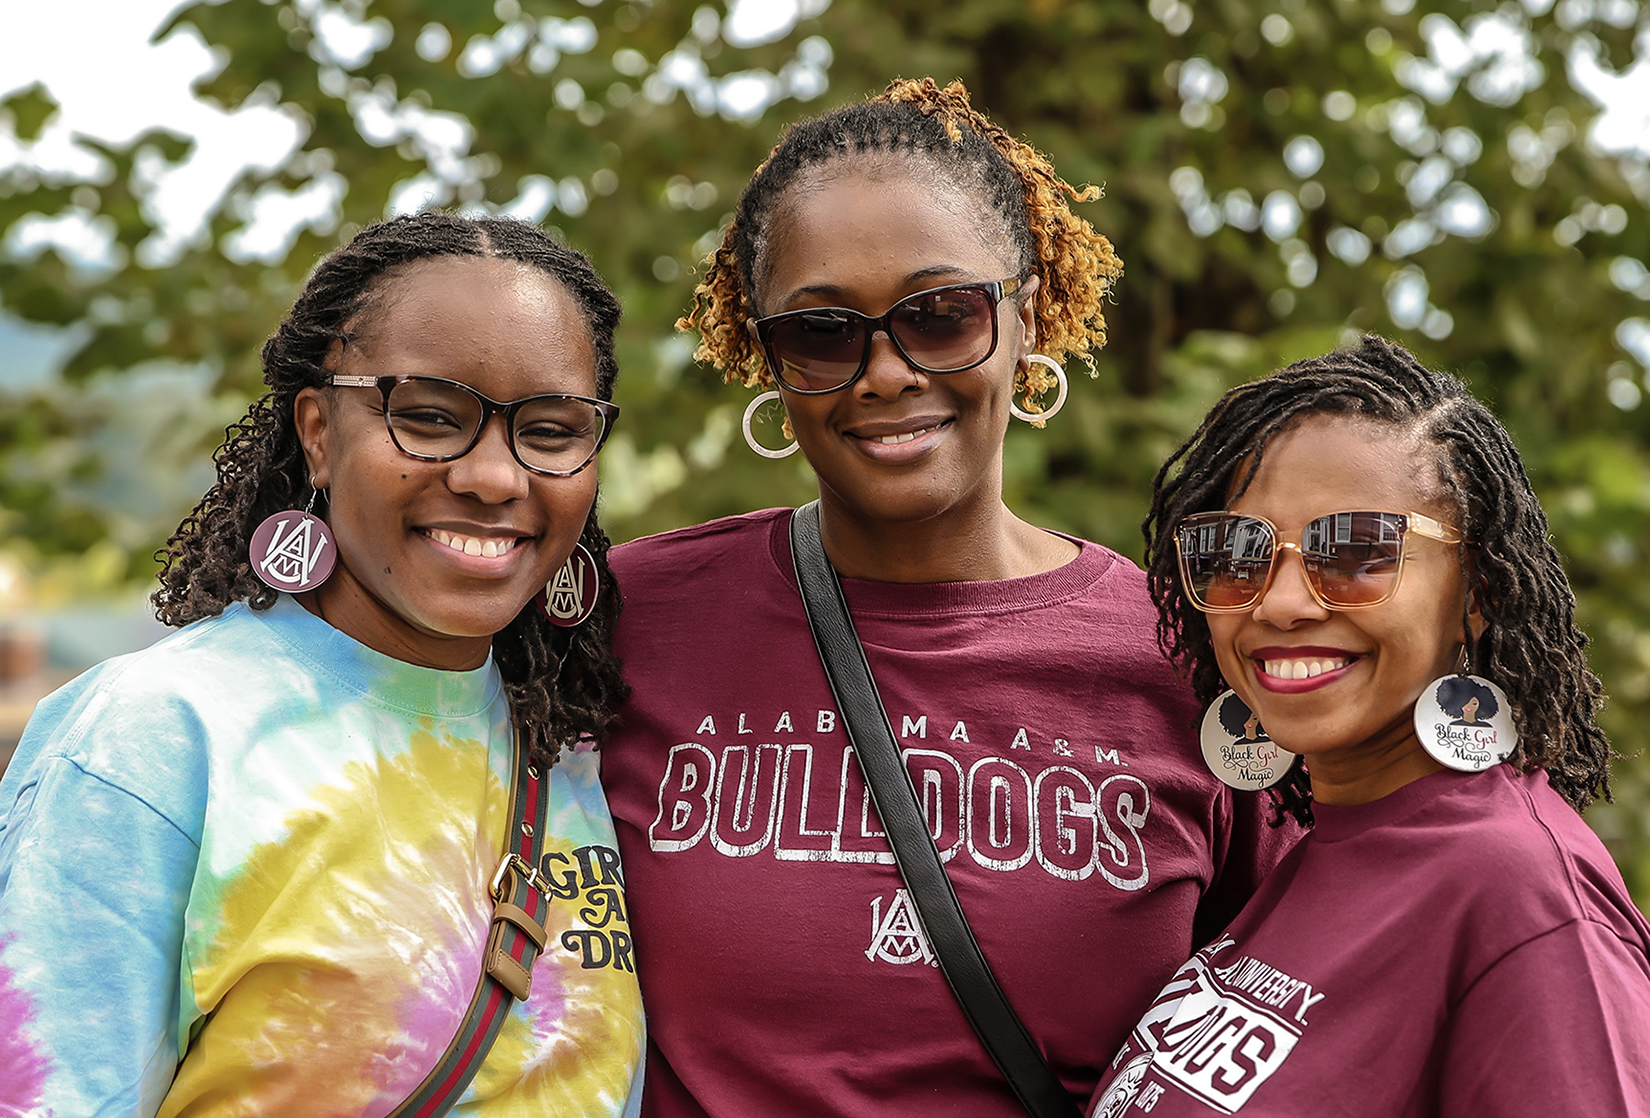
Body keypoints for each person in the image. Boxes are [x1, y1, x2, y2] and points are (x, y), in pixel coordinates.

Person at [600, 77, 1297, 1115]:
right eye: (823, 332)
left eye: (938, 316)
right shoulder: (626, 620)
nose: (884, 371)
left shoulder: (1187, 657)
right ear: (767, 359)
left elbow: (1318, 997)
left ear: (1024, 321)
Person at [0, 213, 645, 1117]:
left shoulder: (569, 746)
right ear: (317, 430)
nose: (496, 478)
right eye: (429, 417)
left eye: (549, 431)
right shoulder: (157, 738)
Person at [1089, 336, 1650, 1117]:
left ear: (1477, 588)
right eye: (1238, 553)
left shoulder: (1523, 896)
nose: (1280, 603)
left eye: (1355, 551)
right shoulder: (1316, 850)